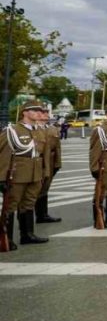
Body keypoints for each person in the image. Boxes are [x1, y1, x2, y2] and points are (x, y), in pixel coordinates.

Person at [0, 101, 51, 247]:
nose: (38, 112)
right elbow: (4, 155)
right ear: (24, 112)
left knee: (29, 203)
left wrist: (44, 173)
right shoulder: (12, 130)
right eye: (34, 110)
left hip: (35, 174)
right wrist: (2, 178)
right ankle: (6, 238)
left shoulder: (40, 130)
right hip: (17, 175)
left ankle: (27, 234)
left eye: (39, 110)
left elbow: (42, 154)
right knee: (11, 205)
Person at [35, 112, 63, 223]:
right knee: (33, 190)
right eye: (43, 113)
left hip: (50, 162)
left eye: (47, 113)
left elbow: (57, 148)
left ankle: (43, 214)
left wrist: (58, 163)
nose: (47, 115)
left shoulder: (53, 129)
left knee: (45, 188)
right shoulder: (33, 129)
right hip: (38, 161)